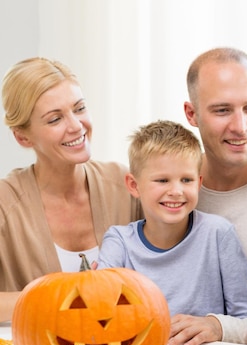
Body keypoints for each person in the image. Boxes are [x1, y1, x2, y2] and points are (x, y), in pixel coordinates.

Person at [0, 57, 141, 321]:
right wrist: (65, 295)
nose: (76, 126)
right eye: (55, 119)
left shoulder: (124, 184)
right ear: (23, 137)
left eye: (79, 108)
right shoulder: (5, 203)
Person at [97, 120, 247, 345]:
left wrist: (216, 326)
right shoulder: (119, 242)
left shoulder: (218, 233)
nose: (176, 191)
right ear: (134, 185)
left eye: (186, 180)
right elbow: (99, 310)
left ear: (199, 183)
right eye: (162, 180)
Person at [174, 47, 247, 345]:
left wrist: (220, 328)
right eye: (222, 110)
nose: (240, 126)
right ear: (191, 114)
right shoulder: (170, 192)